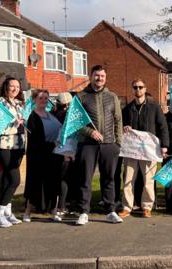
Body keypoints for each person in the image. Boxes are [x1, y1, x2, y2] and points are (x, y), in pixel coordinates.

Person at [75, 65, 123, 225]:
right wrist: (90, 132)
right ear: (91, 76)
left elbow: (118, 120)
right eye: (97, 75)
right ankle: (84, 212)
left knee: (109, 178)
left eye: (102, 76)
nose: (99, 78)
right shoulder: (81, 97)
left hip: (109, 144)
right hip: (88, 144)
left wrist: (118, 143)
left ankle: (110, 211)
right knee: (85, 178)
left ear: (105, 78)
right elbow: (75, 123)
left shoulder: (112, 97)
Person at [119, 78, 169, 218]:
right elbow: (121, 125)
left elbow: (162, 127)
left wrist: (164, 146)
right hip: (131, 151)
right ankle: (127, 207)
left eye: (140, 87)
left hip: (149, 150)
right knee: (128, 179)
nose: (138, 90)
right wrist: (124, 127)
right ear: (133, 89)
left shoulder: (154, 107)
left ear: (145, 89)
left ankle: (147, 207)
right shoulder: (128, 108)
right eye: (135, 87)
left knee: (148, 180)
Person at [23, 90, 63, 222]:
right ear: (34, 99)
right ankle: (27, 212)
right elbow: (35, 140)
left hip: (54, 155)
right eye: (41, 98)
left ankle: (53, 211)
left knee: (54, 183)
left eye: (46, 98)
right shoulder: (32, 117)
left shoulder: (51, 115)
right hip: (38, 156)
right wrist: (53, 144)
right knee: (34, 183)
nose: (44, 100)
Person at [0, 77, 26, 228]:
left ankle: (7, 212)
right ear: (5, 87)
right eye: (12, 86)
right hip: (4, 145)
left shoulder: (19, 104)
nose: (15, 89)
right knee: (14, 180)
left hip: (18, 145)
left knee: (7, 179)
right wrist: (14, 124)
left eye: (17, 87)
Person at [52, 92, 76, 215]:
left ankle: (61, 205)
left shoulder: (53, 114)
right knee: (65, 179)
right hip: (66, 151)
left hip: (56, 151)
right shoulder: (67, 116)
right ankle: (62, 206)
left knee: (61, 179)